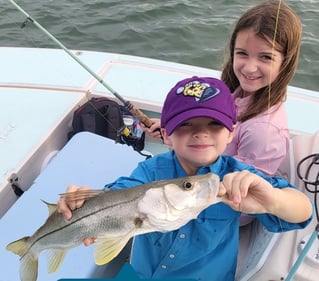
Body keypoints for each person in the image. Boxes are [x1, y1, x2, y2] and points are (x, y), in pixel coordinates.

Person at [58, 76, 312, 281]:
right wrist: (81, 202)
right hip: (144, 274)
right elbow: (117, 195)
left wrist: (273, 200)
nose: (201, 133)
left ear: (231, 132)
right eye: (186, 124)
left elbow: (303, 212)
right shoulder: (150, 171)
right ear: (167, 135)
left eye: (214, 123)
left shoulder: (237, 175)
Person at [141, 0, 302, 176]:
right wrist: (175, 130)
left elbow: (237, 184)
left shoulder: (264, 132)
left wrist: (182, 144)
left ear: (286, 63)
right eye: (242, 53)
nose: (249, 67)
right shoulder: (238, 92)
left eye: (265, 57)